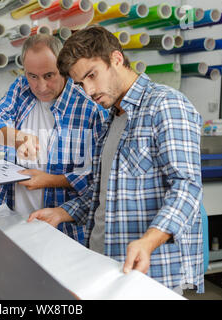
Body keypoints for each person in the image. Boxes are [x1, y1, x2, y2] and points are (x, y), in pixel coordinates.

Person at [28, 26, 204, 293]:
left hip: (147, 273)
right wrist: (62, 213)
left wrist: (148, 241)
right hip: (102, 264)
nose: (88, 90)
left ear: (117, 59)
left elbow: (187, 187)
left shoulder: (165, 105)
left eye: (91, 75)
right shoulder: (112, 118)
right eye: (80, 83)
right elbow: (104, 193)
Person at [0, 34, 108, 244]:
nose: (40, 86)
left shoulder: (90, 108)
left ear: (64, 69)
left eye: (49, 75)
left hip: (65, 234)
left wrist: (49, 180)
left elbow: (98, 182)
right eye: (32, 76)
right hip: (13, 226)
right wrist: (16, 138)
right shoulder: (21, 88)